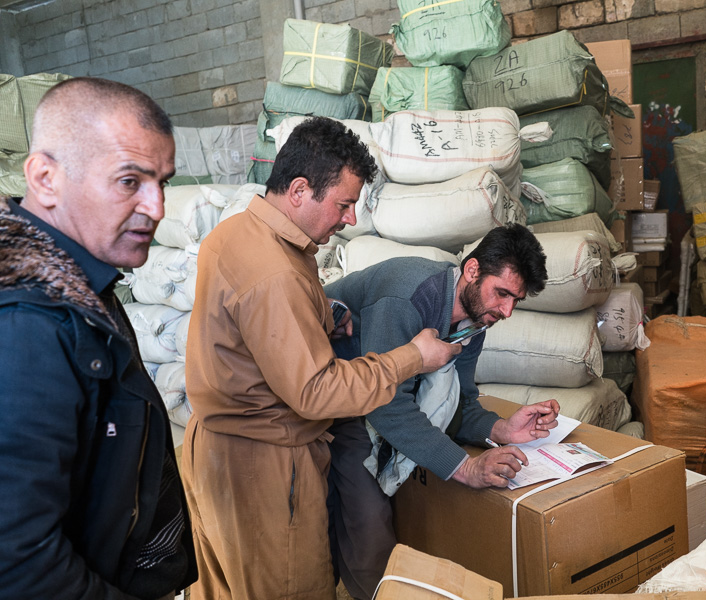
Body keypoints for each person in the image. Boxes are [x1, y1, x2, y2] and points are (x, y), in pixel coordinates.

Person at [182, 116, 461, 600]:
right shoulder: (276, 274)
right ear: (298, 190)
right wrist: (411, 357)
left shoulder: (239, 235)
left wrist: (321, 313)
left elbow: (257, 325)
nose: (350, 219)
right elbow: (316, 390)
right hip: (265, 467)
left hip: (217, 446)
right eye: (344, 204)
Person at [0, 77, 196, 599]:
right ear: (45, 178)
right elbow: (21, 562)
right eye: (130, 182)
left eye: (163, 183)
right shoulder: (29, 325)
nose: (156, 208)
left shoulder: (84, 284)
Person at [325, 224, 560, 600]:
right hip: (337, 401)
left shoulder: (475, 322)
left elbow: (462, 403)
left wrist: (501, 429)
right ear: (471, 271)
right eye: (502, 294)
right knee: (370, 526)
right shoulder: (407, 296)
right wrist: (464, 468)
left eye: (516, 300)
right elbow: (383, 404)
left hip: (376, 400)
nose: (507, 311)